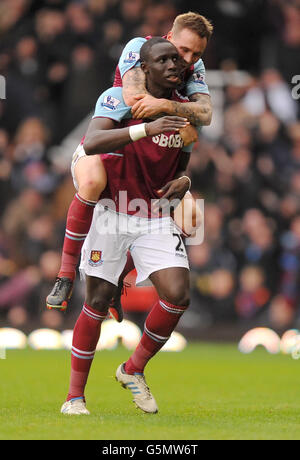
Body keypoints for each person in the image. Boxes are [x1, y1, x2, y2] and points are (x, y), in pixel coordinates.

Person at [61, 38, 195, 415]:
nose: (173, 65)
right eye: (163, 60)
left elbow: (182, 162)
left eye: (176, 60)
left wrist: (184, 181)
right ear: (144, 68)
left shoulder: (184, 111)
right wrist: (145, 130)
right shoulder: (119, 98)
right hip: (111, 210)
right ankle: (74, 397)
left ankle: (132, 369)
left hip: (152, 213)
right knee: (97, 302)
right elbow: (93, 142)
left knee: (178, 294)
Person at [46, 12, 213, 314]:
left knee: (191, 219)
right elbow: (135, 97)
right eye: (183, 50)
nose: (187, 59)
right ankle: (65, 275)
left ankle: (121, 273)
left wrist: (172, 113)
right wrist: (180, 115)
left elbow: (205, 115)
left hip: (149, 160)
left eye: (195, 54)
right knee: (93, 181)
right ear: (169, 38)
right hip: (111, 148)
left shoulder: (192, 68)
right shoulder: (138, 47)